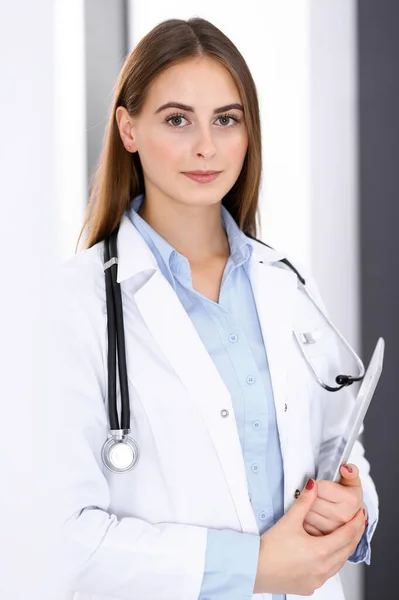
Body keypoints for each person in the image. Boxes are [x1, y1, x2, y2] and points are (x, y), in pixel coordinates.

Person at [57, 16, 379, 600]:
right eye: (177, 119)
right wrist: (252, 566)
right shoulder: (71, 305)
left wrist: (356, 505)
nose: (206, 146)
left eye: (226, 120)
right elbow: (64, 541)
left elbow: (339, 447)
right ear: (128, 129)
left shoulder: (287, 285)